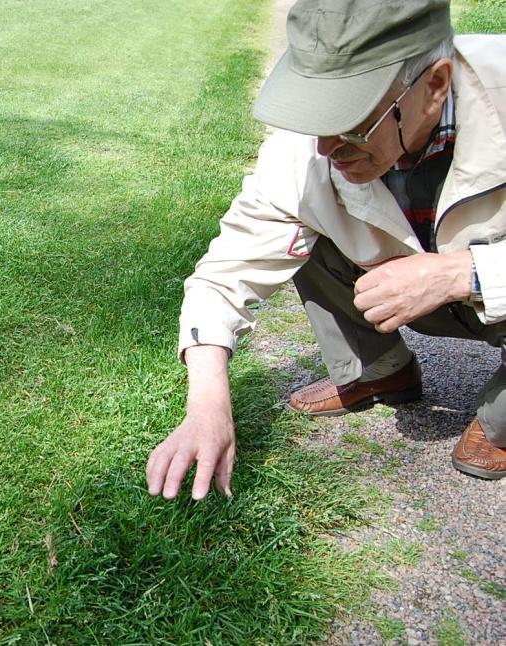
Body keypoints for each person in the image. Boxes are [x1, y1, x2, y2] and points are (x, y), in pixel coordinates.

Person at [146, 0, 506, 501]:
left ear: (436, 86)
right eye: (315, 117)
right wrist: (207, 407)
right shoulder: (306, 152)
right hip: (423, 288)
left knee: (501, 424)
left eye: (353, 120)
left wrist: (463, 273)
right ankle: (379, 371)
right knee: (304, 224)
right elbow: (225, 274)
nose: (325, 148)